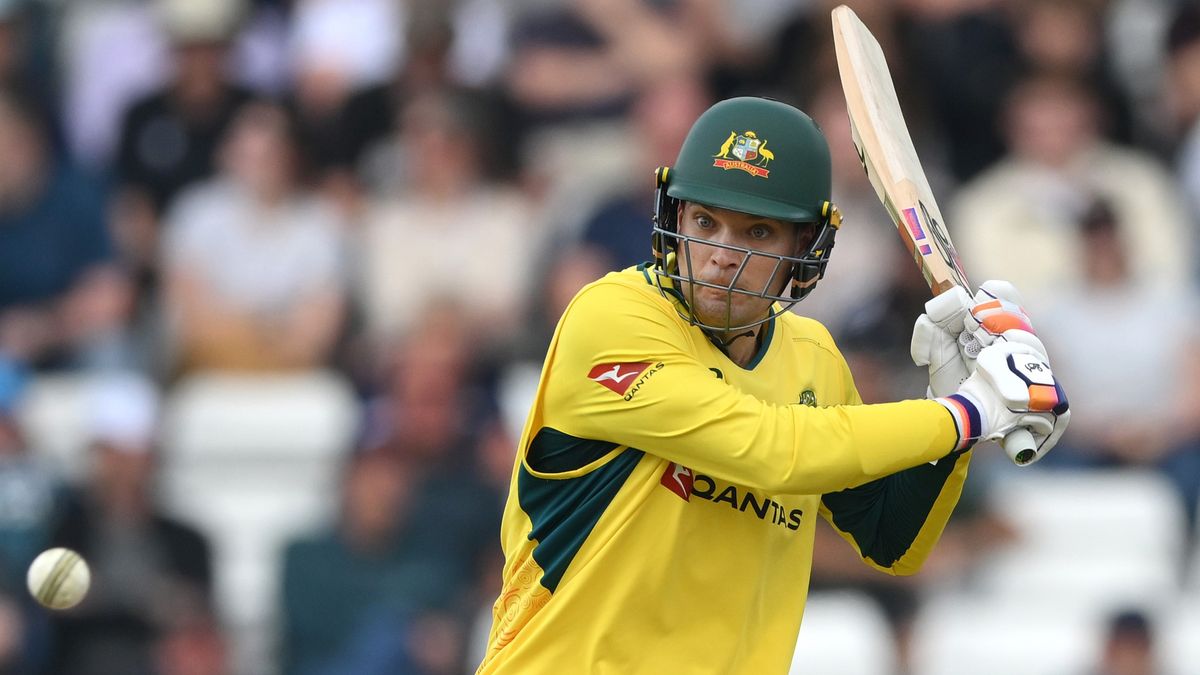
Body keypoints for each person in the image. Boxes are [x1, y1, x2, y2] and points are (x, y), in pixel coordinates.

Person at [475, 96, 1070, 672]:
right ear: (672, 216)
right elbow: (773, 451)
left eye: (757, 233)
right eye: (705, 221)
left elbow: (892, 542)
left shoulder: (813, 358)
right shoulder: (611, 317)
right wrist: (971, 412)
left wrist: (950, 413)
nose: (720, 255)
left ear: (804, 250)